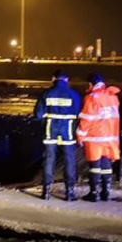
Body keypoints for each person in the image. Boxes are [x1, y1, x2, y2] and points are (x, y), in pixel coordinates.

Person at [33, 70, 82, 201]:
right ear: (67, 79)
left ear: (53, 78)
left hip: (51, 130)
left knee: (49, 160)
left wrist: (46, 120)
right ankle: (69, 192)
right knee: (69, 160)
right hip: (68, 131)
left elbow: (38, 115)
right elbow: (78, 114)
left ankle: (46, 191)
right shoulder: (74, 95)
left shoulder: (47, 94)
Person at [76, 73, 121, 202]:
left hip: (94, 138)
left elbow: (86, 119)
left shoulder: (92, 98)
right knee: (106, 165)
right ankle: (106, 192)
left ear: (92, 84)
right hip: (110, 138)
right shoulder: (113, 97)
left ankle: (93, 193)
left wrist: (80, 135)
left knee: (94, 166)